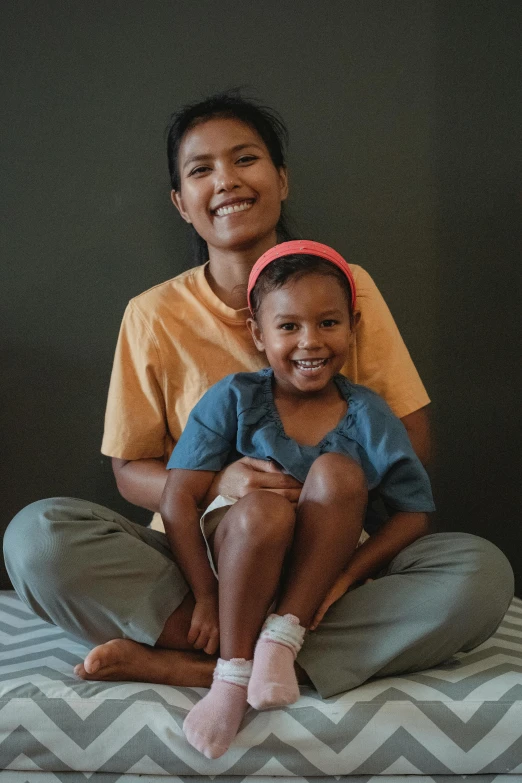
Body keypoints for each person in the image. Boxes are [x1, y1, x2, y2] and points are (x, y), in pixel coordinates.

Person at [3, 92, 513, 706]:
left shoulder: (350, 288)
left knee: (481, 575)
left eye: (245, 159)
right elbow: (130, 470)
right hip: (195, 565)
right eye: (201, 170)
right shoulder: (152, 314)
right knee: (37, 538)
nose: (226, 181)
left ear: (281, 179)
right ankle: (249, 654)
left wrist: (331, 491)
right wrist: (221, 486)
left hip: (329, 565)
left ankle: (208, 666)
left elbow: (414, 444)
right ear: (180, 203)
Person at [162, 240, 436, 758]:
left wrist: (345, 576)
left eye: (328, 323)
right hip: (238, 561)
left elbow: (414, 514)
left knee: (338, 474)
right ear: (257, 333)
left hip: (319, 578)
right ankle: (230, 677)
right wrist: (202, 594)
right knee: (263, 509)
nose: (310, 342)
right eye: (289, 326)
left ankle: (281, 639)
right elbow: (178, 500)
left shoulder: (369, 414)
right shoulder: (235, 397)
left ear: (352, 326)